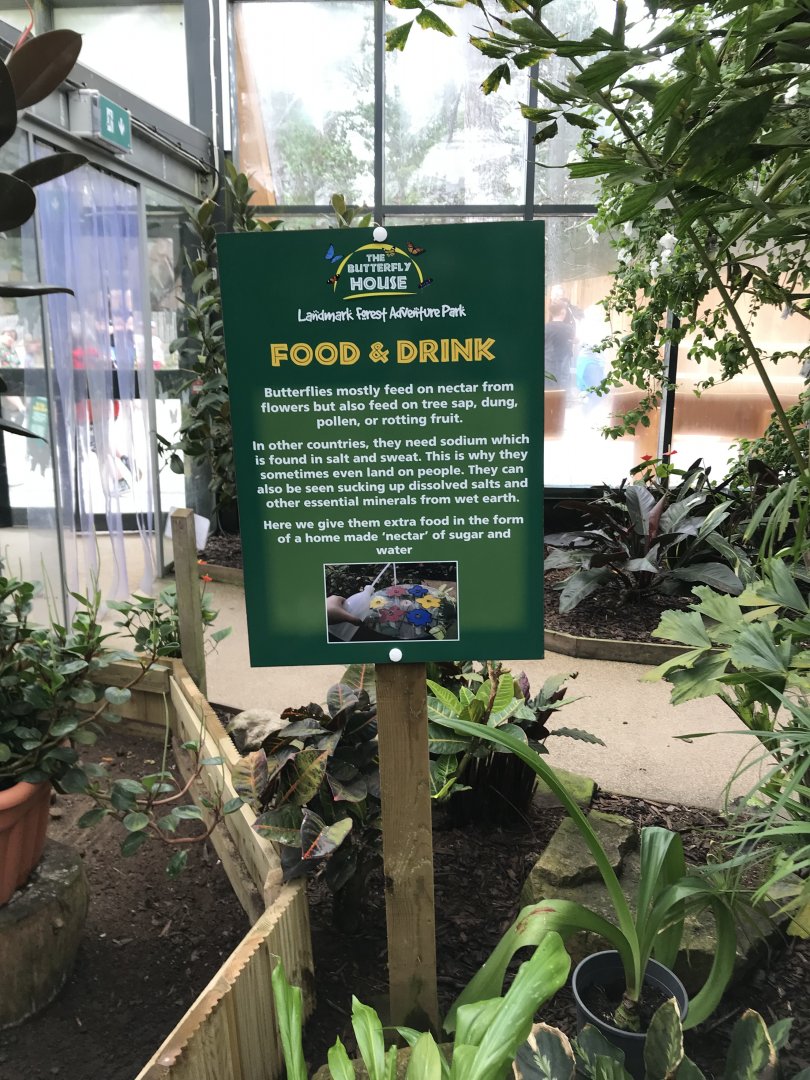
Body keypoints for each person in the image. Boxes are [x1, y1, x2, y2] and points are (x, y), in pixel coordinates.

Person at [544, 298, 577, 389]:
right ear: (563, 312)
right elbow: (576, 340)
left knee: (548, 391)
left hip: (547, 364)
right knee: (562, 392)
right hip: (562, 365)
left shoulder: (546, 327)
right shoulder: (568, 329)